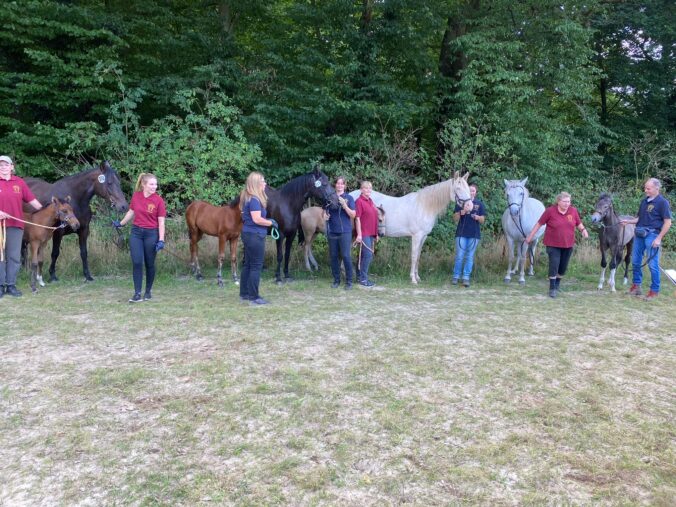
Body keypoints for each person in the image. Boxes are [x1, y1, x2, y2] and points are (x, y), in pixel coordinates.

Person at [113, 173, 166, 303]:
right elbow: (131, 212)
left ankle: (148, 291)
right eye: (152, 184)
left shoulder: (158, 200)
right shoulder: (136, 196)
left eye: (156, 184)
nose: (155, 186)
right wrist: (121, 223)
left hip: (151, 234)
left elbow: (161, 223)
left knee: (149, 264)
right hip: (136, 233)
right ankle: (137, 293)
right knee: (137, 262)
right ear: (144, 184)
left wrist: (161, 240)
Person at [525, 191, 589, 298]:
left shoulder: (573, 211)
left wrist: (583, 230)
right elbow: (539, 224)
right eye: (564, 201)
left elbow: (578, 223)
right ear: (558, 201)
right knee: (554, 265)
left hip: (568, 244)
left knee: (562, 267)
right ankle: (552, 288)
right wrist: (530, 237)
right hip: (552, 244)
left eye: (568, 201)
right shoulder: (550, 211)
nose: (567, 204)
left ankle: (557, 284)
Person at [621, 178, 672, 299]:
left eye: (648, 188)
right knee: (635, 261)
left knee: (652, 264)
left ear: (656, 188)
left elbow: (668, 223)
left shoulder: (662, 203)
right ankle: (636, 287)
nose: (645, 190)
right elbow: (639, 219)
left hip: (653, 235)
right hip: (639, 235)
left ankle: (654, 291)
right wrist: (628, 222)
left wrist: (659, 238)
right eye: (645, 188)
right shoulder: (644, 201)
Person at [0, 155, 43, 297]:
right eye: (1, 165)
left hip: (15, 225)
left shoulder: (19, 183)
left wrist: (50, 208)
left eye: (6, 165)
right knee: (0, 256)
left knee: (13, 257)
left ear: (12, 167)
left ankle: (11, 285)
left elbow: (34, 202)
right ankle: (0, 286)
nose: (3, 167)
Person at [239, 172, 278, 305]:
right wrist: (271, 222)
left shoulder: (249, 198)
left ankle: (244, 293)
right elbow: (256, 219)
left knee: (248, 265)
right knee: (256, 266)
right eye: (263, 181)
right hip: (255, 235)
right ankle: (254, 297)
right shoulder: (255, 200)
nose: (265, 183)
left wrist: (267, 221)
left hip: (249, 234)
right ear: (256, 183)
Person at [452, 183, 485, 287]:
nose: (471, 192)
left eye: (473, 191)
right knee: (459, 256)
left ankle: (466, 278)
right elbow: (455, 218)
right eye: (470, 190)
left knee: (470, 256)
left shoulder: (479, 204)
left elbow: (483, 220)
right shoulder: (460, 203)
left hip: (474, 235)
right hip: (461, 234)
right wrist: (462, 211)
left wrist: (478, 218)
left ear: (476, 192)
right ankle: (456, 276)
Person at [327, 176, 356, 290]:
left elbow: (353, 215)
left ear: (345, 185)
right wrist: (325, 216)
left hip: (345, 232)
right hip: (332, 231)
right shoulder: (330, 197)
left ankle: (349, 281)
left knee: (346, 256)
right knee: (334, 257)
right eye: (338, 183)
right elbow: (325, 213)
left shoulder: (349, 198)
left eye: (341, 184)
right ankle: (336, 280)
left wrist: (344, 206)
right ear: (335, 185)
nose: (339, 186)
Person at [354, 180, 379, 287]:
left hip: (371, 232)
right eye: (366, 188)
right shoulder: (359, 201)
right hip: (363, 233)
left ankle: (359, 276)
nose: (368, 190)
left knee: (365, 255)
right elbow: (357, 219)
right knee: (368, 255)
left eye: (370, 188)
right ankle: (363, 279)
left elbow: (374, 218)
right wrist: (359, 234)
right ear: (361, 189)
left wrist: (376, 233)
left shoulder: (371, 201)